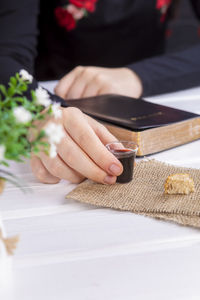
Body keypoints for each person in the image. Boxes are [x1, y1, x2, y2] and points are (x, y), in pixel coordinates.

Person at [0, 0, 200, 185]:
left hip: (153, 100)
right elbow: (5, 54)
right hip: (53, 98)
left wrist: (138, 77)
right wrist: (42, 110)